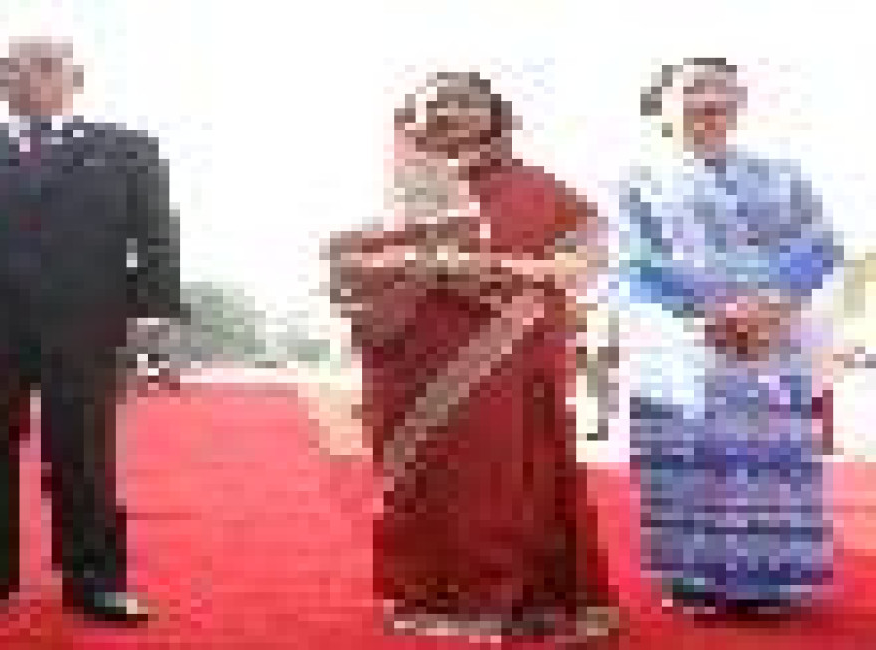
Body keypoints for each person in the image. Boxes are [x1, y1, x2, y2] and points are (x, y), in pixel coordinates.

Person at [324, 72, 619, 643]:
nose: (450, 113)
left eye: (466, 103)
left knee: (502, 473)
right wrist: (417, 265)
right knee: (422, 476)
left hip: (503, 356)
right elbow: (344, 271)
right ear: (411, 116)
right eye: (436, 104)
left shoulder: (539, 190)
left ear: (494, 116)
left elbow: (583, 263)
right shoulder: (395, 188)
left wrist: (494, 269)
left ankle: (516, 599)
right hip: (408, 355)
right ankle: (430, 595)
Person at [0, 38, 182, 625]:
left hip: (85, 327)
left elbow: (157, 234)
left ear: (76, 79)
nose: (30, 78)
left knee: (84, 456)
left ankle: (96, 581)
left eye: (46, 67)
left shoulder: (127, 149)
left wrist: (153, 314)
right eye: (14, 70)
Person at [619, 58, 842, 616]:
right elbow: (632, 260)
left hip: (774, 336)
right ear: (661, 107)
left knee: (772, 460)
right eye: (692, 89)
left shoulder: (784, 174)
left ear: (740, 103)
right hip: (684, 341)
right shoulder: (637, 181)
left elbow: (820, 244)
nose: (708, 100)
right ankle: (694, 581)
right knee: (690, 456)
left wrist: (771, 307)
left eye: (721, 90)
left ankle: (775, 583)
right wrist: (706, 317)